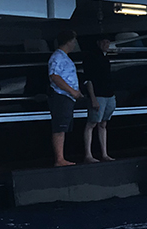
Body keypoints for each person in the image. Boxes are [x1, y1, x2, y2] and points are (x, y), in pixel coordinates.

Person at [48, 29, 83, 167]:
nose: (74, 44)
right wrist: (72, 91)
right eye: (73, 41)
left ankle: (62, 157)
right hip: (61, 96)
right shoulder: (57, 57)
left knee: (64, 126)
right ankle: (59, 158)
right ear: (68, 41)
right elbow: (55, 76)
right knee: (59, 127)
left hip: (68, 97)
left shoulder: (64, 57)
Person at [82, 35, 117, 163]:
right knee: (92, 123)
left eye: (108, 42)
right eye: (104, 42)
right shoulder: (91, 57)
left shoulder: (105, 58)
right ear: (98, 43)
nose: (106, 44)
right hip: (98, 95)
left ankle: (104, 153)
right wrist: (93, 98)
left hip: (108, 94)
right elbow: (88, 79)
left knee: (103, 123)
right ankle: (88, 154)